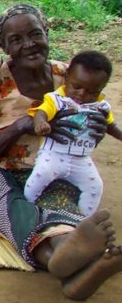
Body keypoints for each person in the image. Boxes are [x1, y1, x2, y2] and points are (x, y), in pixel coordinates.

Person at [0, 4, 122, 301]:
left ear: (47, 33)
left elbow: (89, 130)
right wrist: (22, 125)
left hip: (54, 169)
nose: (28, 44)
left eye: (35, 34)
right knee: (15, 205)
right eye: (16, 39)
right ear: (4, 46)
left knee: (60, 202)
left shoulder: (70, 78)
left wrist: (93, 131)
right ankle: (69, 260)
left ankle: (67, 262)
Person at [27, 50, 122, 214]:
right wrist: (41, 123)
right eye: (76, 87)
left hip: (81, 159)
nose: (82, 94)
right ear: (67, 77)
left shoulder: (101, 106)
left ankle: (83, 220)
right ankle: (29, 206)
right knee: (39, 177)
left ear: (102, 88)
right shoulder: (57, 99)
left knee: (94, 187)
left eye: (92, 92)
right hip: (53, 154)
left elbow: (110, 126)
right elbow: (41, 112)